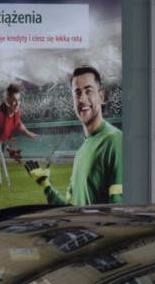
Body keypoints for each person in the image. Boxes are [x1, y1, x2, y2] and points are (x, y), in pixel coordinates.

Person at [24, 66, 123, 206]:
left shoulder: (114, 140)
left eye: (88, 91)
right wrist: (46, 185)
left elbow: (119, 212)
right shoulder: (80, 154)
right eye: (77, 93)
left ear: (101, 96)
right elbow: (70, 209)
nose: (82, 98)